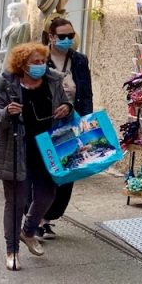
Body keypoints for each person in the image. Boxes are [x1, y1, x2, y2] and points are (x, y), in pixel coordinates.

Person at [0, 42, 72, 271]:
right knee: (16, 202)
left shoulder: (52, 81)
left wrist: (66, 108)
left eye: (43, 61)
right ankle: (11, 250)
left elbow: (65, 102)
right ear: (22, 65)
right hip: (16, 149)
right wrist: (5, 112)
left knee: (47, 195)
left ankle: (29, 230)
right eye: (35, 62)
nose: (41, 66)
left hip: (47, 149)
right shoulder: (6, 84)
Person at [38, 17, 93, 238]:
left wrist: (87, 122)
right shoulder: (39, 58)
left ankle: (49, 217)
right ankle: (37, 218)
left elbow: (86, 92)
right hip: (45, 122)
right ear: (51, 37)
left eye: (71, 36)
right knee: (44, 171)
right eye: (62, 36)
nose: (68, 40)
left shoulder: (79, 60)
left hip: (72, 121)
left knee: (66, 171)